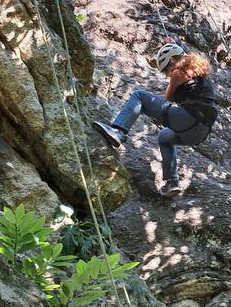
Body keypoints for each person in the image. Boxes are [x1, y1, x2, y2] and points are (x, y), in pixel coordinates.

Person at [93, 43, 218, 196]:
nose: (167, 74)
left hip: (188, 119)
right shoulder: (201, 74)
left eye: (167, 69)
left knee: (139, 95)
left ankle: (118, 130)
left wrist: (172, 78)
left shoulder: (178, 72)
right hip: (200, 132)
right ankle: (172, 182)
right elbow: (184, 57)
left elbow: (168, 97)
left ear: (173, 60)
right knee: (164, 137)